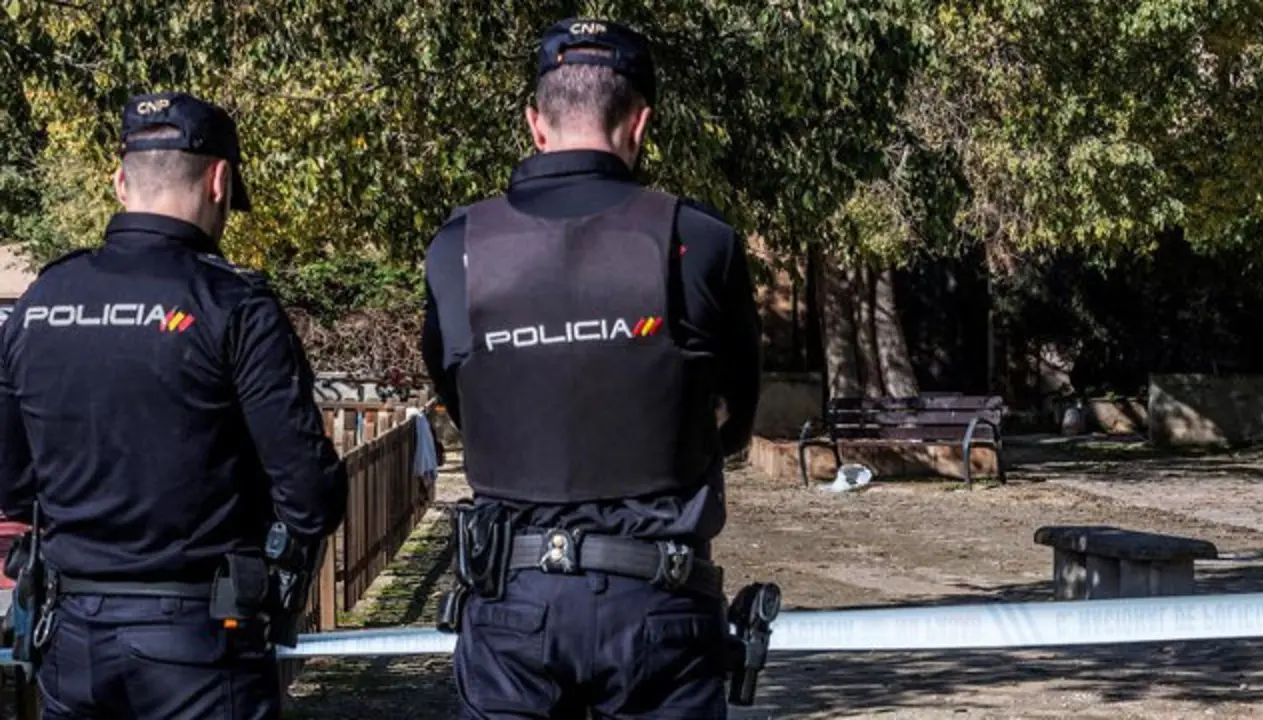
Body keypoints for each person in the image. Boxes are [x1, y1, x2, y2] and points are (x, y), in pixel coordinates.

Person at [421, 18, 762, 720]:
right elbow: (735, 418)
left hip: (512, 607)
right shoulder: (701, 240)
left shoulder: (458, 248)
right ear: (640, 125)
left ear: (535, 125)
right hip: (659, 606)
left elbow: (461, 399)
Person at [0, 91, 348, 719]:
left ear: (117, 182)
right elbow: (312, 493)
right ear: (220, 180)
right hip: (199, 638)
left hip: (73, 638)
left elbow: (9, 481)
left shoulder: (39, 302)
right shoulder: (232, 305)